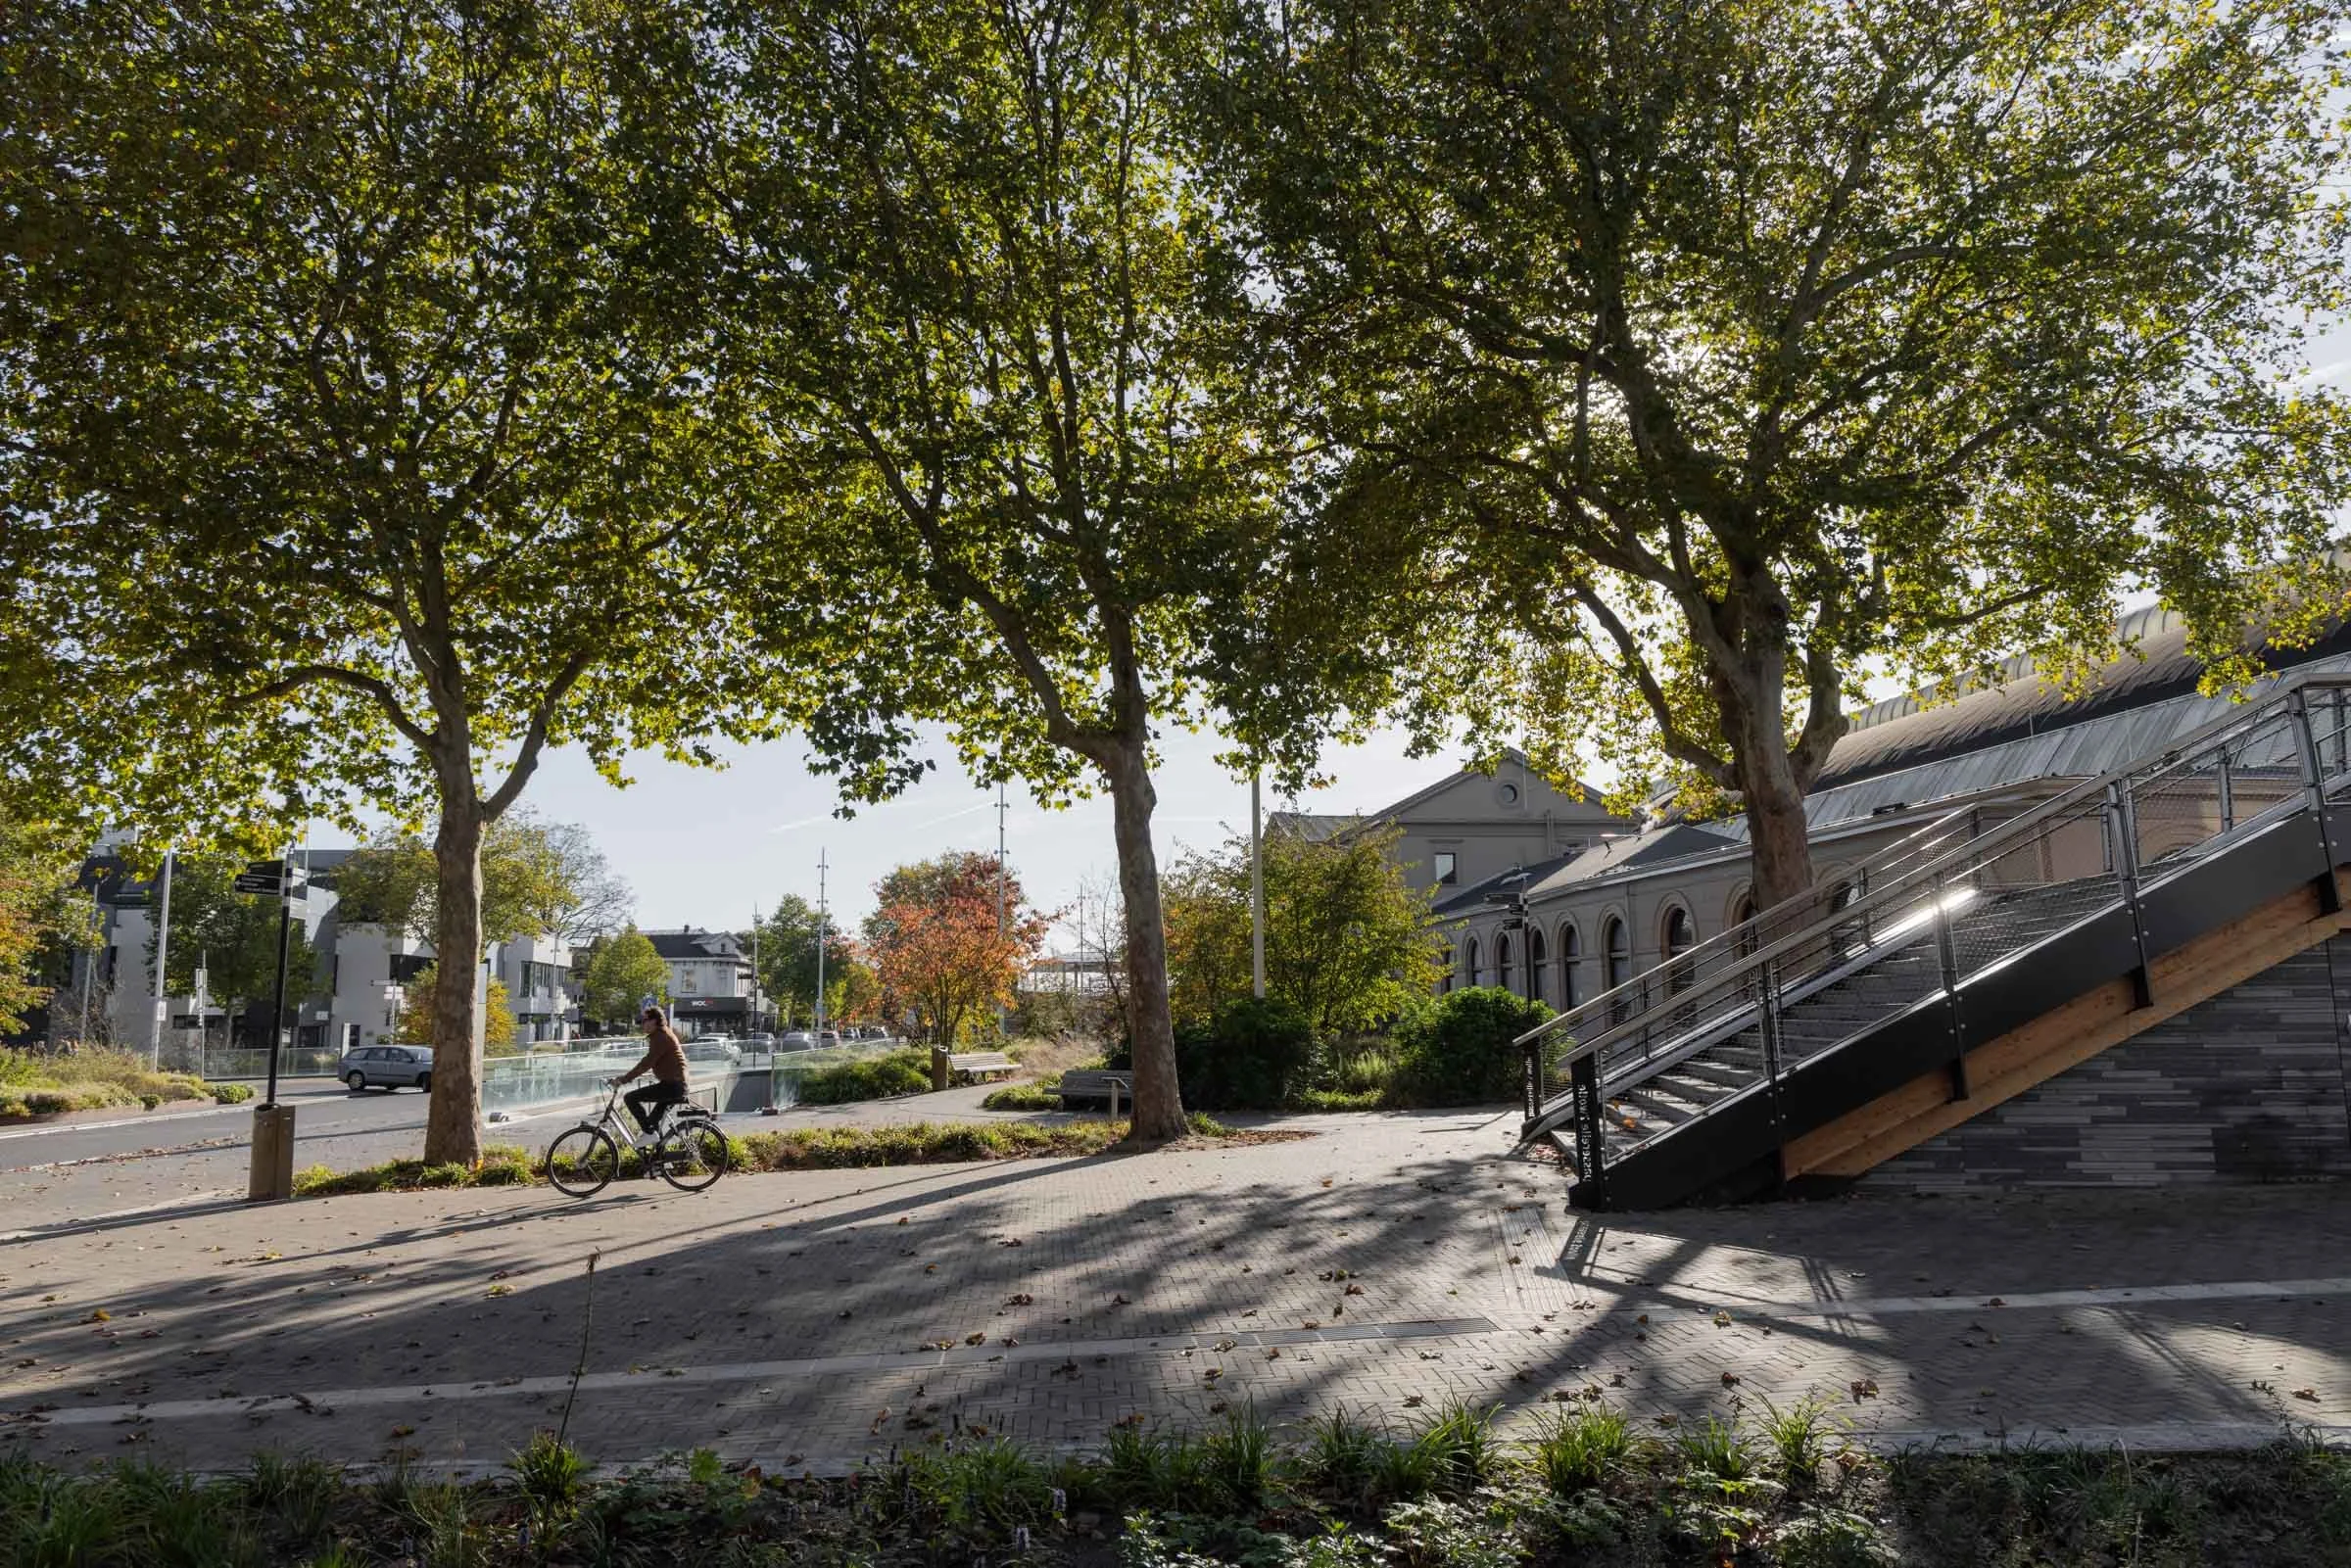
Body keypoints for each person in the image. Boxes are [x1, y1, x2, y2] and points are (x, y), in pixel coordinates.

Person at [615, 1006, 689, 1135]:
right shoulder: (662, 1034)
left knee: (630, 1098)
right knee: (652, 1123)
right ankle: (656, 1145)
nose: (642, 1024)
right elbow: (657, 1061)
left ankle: (649, 1135)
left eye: (644, 1020)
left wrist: (624, 1079)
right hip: (675, 1084)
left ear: (654, 1021)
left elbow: (647, 1062)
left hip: (673, 1086)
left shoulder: (660, 1037)